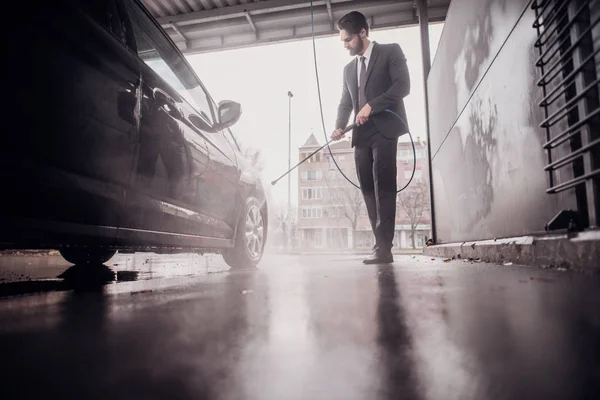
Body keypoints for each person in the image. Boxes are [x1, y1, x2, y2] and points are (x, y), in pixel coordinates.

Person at [331, 11, 410, 264]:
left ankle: (384, 248)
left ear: (362, 33)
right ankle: (379, 244)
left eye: (347, 40)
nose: (344, 46)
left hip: (385, 129)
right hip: (361, 136)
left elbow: (402, 86)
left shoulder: (390, 52)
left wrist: (371, 106)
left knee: (383, 187)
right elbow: (345, 103)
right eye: (342, 41)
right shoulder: (347, 69)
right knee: (367, 189)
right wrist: (339, 126)